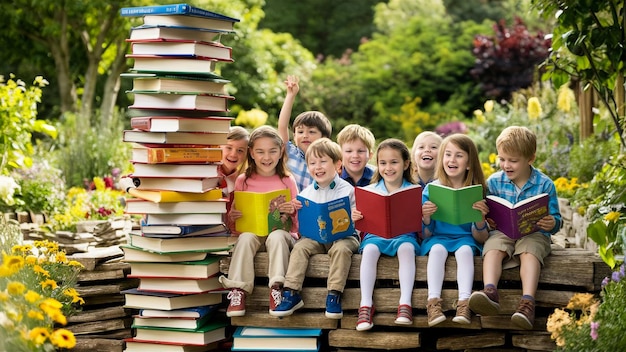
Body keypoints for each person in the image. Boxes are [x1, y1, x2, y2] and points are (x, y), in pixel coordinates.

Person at [468, 126, 561, 330]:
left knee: (530, 251)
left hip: (534, 233)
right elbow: (491, 215)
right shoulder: (494, 182)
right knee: (493, 247)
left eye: (513, 160)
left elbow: (556, 219)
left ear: (530, 159)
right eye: (502, 159)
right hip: (503, 232)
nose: (506, 165)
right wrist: (487, 218)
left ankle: (527, 303)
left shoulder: (545, 184)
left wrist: (552, 223)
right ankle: (490, 291)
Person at [270, 138, 360, 319]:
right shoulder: (305, 194)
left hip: (345, 237)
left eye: (323, 161)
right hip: (317, 239)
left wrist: (355, 217)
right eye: (312, 163)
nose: (317, 167)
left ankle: (334, 294)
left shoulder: (348, 190)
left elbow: (358, 221)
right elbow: (301, 227)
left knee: (341, 249)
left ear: (338, 164)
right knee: (300, 246)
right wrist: (295, 212)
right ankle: (291, 292)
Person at [218, 125, 299, 317]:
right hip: (253, 235)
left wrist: (292, 211)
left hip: (280, 237)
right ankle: (238, 290)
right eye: (260, 152)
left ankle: (277, 287)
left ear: (280, 153)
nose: (266, 157)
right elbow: (236, 223)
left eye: (272, 151)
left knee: (278, 236)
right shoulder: (243, 180)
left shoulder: (287, 180)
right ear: (252, 154)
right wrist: (233, 218)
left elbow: (297, 224)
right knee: (245, 238)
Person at [421, 133, 489, 327]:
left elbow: (481, 237)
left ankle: (464, 303)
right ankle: (433, 303)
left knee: (466, 251)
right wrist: (426, 217)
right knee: (437, 251)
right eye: (448, 154)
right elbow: (426, 234)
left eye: (459, 155)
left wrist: (480, 219)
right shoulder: (431, 189)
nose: (452, 160)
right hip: (438, 238)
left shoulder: (477, 190)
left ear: (469, 163)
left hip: (466, 239)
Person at [353, 139, 421, 331]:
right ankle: (365, 305)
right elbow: (361, 227)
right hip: (375, 237)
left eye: (394, 162)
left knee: (407, 249)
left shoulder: (414, 191)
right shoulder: (370, 191)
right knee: (369, 251)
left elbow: (421, 227)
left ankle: (404, 303)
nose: (388, 168)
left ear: (406, 164)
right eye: (383, 163)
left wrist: (424, 215)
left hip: (404, 236)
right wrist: (356, 218)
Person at [278, 75, 332, 192]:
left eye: (311, 132)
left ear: (324, 137)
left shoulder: (327, 161)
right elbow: (282, 127)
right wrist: (290, 96)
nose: (305, 135)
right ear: (294, 135)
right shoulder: (290, 152)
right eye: (300, 131)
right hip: (289, 208)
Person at [218, 126, 250, 228]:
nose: (233, 154)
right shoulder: (207, 176)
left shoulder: (242, 182)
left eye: (240, 150)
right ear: (219, 146)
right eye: (229, 147)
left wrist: (232, 218)